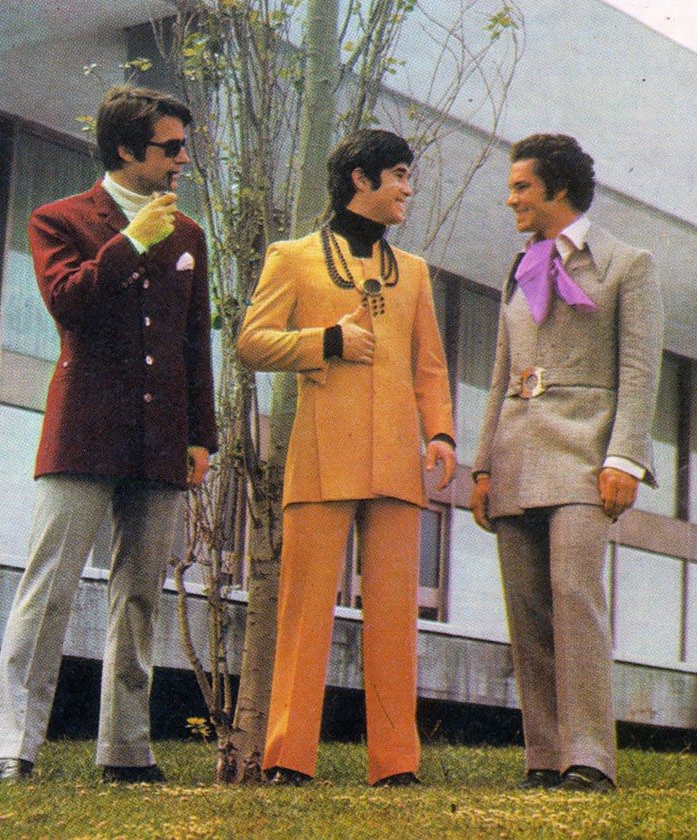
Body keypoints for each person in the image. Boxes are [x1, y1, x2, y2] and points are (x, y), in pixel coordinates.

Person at [0, 86, 217, 784]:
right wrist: (130, 243)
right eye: (170, 147)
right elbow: (67, 302)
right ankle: (13, 745)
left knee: (140, 596)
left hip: (162, 436)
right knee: (49, 588)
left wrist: (200, 436)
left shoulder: (189, 236)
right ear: (125, 149)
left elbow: (194, 343)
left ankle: (125, 750)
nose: (183, 159)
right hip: (84, 430)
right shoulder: (57, 219)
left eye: (183, 146)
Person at [237, 129, 456, 787]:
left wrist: (441, 434)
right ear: (361, 179)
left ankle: (395, 765)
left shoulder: (413, 272)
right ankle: (287, 758)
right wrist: (326, 342)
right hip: (322, 455)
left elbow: (430, 365)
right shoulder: (293, 257)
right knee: (305, 611)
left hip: (396, 462)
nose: (408, 189)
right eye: (399, 175)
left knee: (394, 619)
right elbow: (252, 342)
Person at [471, 134, 663, 793]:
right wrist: (482, 467)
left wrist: (625, 460)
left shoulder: (627, 265)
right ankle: (545, 756)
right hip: (516, 454)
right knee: (526, 611)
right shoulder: (520, 265)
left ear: (558, 189)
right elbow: (500, 377)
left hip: (586, 457)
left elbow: (640, 373)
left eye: (521, 187)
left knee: (575, 599)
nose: (511, 199)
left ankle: (589, 759)